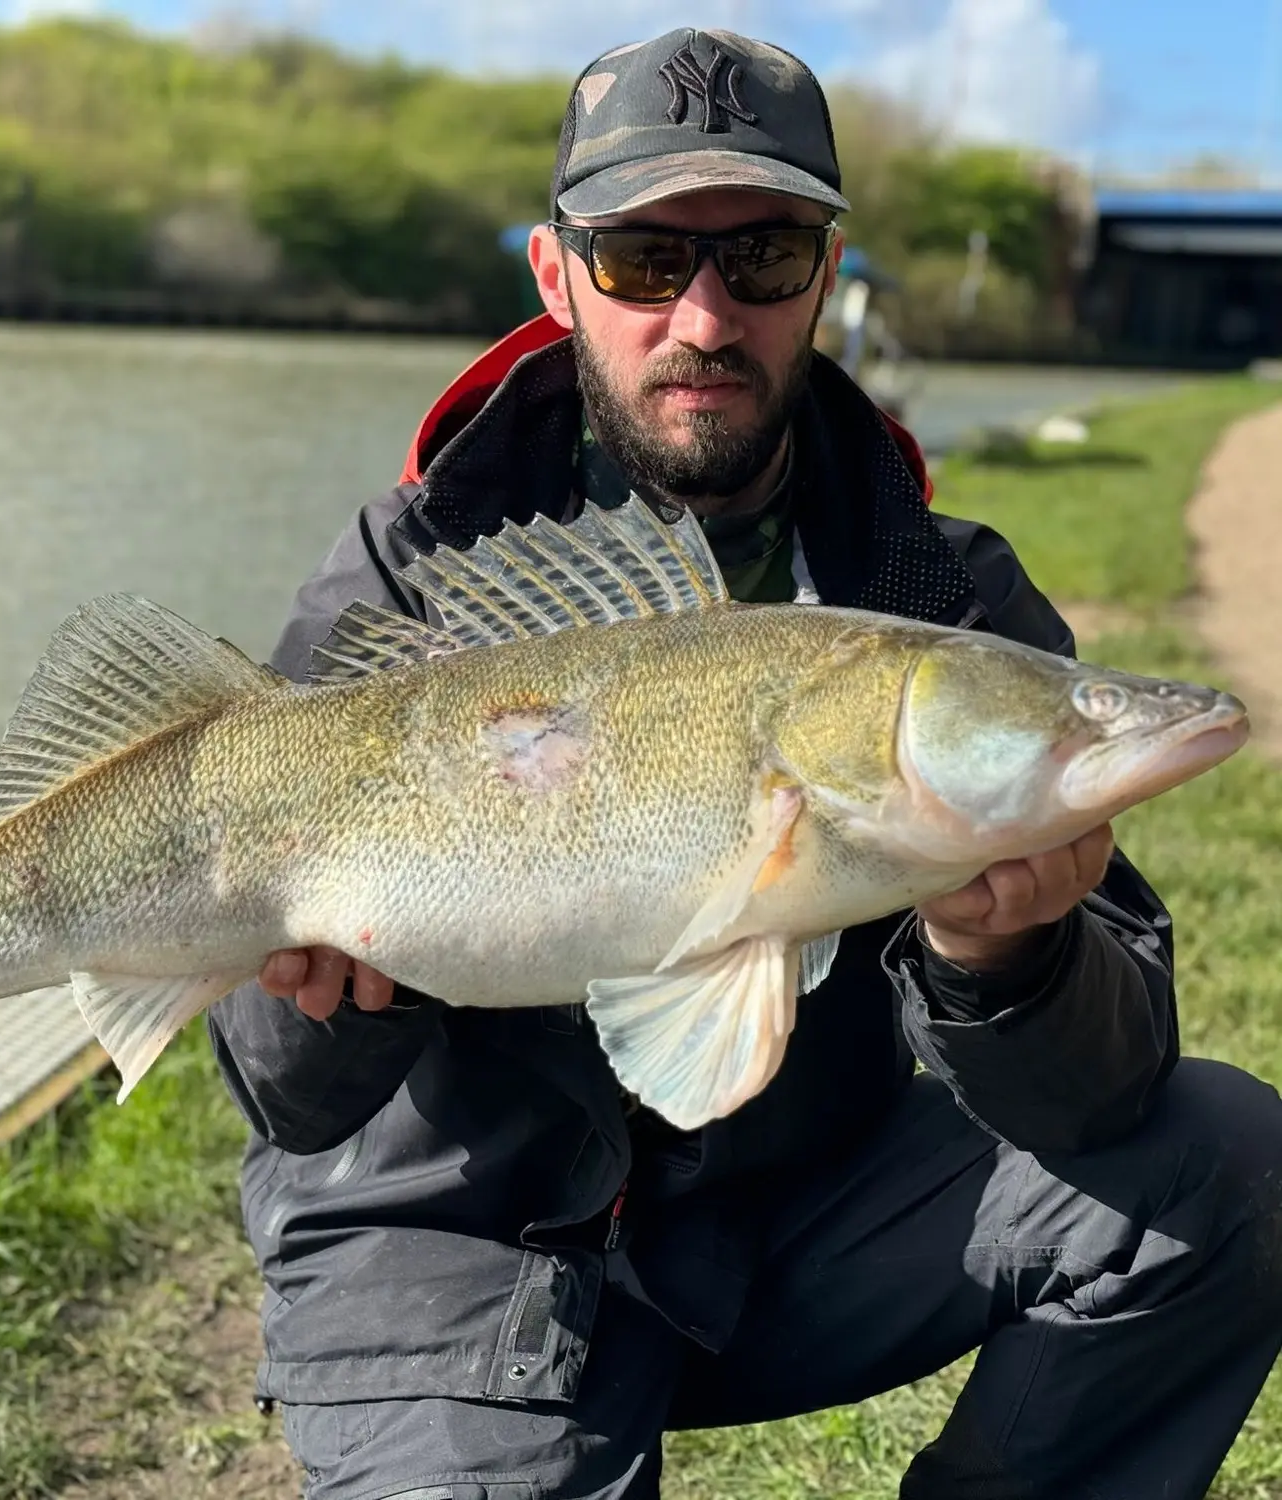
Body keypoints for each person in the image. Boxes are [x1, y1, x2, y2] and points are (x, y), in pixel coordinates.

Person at [208, 28, 1282, 1499]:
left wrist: (1009, 966)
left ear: (824, 277)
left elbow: (1110, 1084)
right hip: (449, 1249)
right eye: (647, 260)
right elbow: (283, 1097)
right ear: (555, 275)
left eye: (763, 257)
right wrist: (316, 1007)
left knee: (1221, 1160)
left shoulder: (934, 591)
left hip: (784, 1229)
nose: (704, 315)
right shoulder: (410, 584)